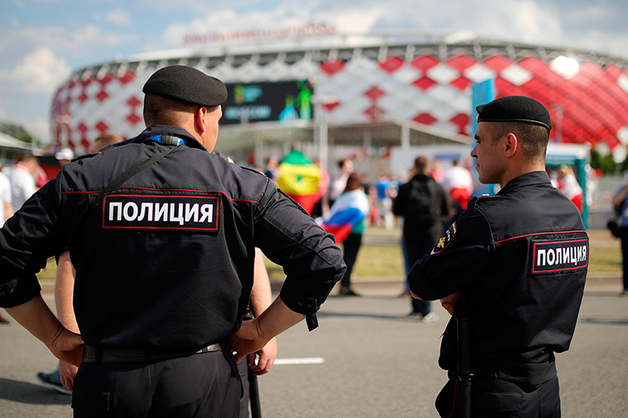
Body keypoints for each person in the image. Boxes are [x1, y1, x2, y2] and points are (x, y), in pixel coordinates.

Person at [0, 65, 345, 417]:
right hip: (207, 378)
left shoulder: (82, 178)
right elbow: (323, 260)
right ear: (201, 117)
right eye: (218, 120)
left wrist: (54, 338)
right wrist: (259, 330)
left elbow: (4, 262)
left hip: (109, 378)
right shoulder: (240, 185)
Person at [408, 96, 588, 417]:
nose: (474, 151)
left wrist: (464, 292)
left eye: (478, 141)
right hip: (546, 388)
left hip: (493, 392)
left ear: (509, 145)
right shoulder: (569, 214)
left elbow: (421, 282)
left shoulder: (491, 218)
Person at [393, 156, 449, 322]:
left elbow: (396, 210)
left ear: (415, 167)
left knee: (412, 268)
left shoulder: (406, 187)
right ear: (428, 167)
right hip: (431, 232)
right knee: (428, 269)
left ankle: (415, 307)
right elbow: (445, 210)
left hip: (411, 231)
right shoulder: (437, 187)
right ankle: (426, 309)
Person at [319, 172, 370, 296]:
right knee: (350, 258)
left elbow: (334, 212)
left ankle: (345, 285)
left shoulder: (344, 196)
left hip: (349, 231)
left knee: (347, 257)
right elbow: (365, 210)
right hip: (354, 231)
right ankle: (345, 285)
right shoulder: (359, 195)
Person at [612, 182, 628, 296]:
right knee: (626, 258)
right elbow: (616, 201)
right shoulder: (623, 189)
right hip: (625, 226)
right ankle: (626, 286)